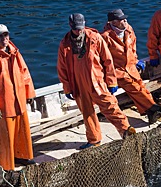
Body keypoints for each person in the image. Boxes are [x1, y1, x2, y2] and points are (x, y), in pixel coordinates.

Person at [57, 13, 136, 149]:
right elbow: (61, 67)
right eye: (76, 28)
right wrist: (67, 87)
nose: (79, 30)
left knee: (110, 106)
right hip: (78, 83)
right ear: (71, 27)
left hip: (97, 81)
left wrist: (111, 81)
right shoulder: (64, 43)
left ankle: (126, 130)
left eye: (80, 27)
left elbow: (108, 60)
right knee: (87, 112)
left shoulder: (95, 37)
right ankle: (94, 139)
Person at [0, 24, 36, 170]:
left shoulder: (14, 52)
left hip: (18, 101)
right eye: (0, 36)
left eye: (6, 35)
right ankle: (7, 165)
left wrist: (29, 93)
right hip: (2, 107)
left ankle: (22, 156)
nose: (4, 38)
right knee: (5, 137)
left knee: (21, 132)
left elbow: (25, 73)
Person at [101, 9, 161, 124]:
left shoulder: (128, 29)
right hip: (117, 71)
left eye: (125, 18)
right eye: (121, 19)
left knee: (141, 86)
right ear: (113, 22)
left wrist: (135, 60)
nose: (125, 20)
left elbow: (133, 47)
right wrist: (111, 80)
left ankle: (150, 112)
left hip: (131, 67)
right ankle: (154, 108)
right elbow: (104, 60)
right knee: (133, 87)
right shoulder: (105, 38)